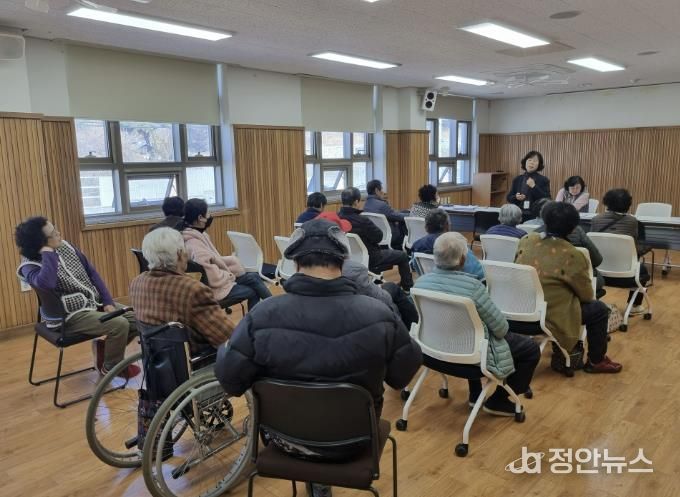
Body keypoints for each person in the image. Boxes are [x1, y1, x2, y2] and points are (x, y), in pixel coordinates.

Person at [215, 218, 422, 497]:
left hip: (284, 439)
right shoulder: (378, 314)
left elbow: (230, 380)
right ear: (343, 260)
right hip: (354, 442)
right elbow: (402, 375)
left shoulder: (261, 315)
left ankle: (316, 483)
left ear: (295, 262)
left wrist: (225, 348)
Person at [414, 232, 540, 415]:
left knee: (469, 330)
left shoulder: (420, 283)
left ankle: (475, 393)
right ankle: (498, 400)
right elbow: (501, 329)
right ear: (463, 259)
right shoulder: (473, 288)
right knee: (530, 349)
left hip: (431, 351)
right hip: (469, 355)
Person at [16, 216, 139, 378]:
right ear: (41, 243)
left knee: (137, 319)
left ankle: (104, 350)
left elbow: (92, 273)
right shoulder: (29, 266)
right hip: (67, 317)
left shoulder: (65, 247)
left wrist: (108, 301)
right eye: (53, 234)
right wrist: (48, 253)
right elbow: (47, 283)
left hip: (91, 302)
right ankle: (110, 368)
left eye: (55, 228)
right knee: (119, 324)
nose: (59, 234)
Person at [515, 202, 622, 374]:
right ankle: (596, 361)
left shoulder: (526, 240)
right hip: (549, 315)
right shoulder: (573, 254)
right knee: (599, 309)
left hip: (519, 309)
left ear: (544, 220)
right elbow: (587, 295)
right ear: (573, 228)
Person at [129, 228, 234, 353]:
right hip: (198, 358)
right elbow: (227, 337)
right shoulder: (192, 290)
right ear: (179, 254)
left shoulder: (136, 283)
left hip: (156, 357)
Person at [317, 211, 419, 329]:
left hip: (332, 322)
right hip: (364, 320)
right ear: (339, 240)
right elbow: (381, 298)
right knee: (392, 289)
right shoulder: (353, 270)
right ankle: (413, 328)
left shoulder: (306, 271)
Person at [182, 198, 272, 310]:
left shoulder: (198, 235)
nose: (210, 216)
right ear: (200, 218)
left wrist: (229, 269)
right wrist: (229, 276)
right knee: (253, 290)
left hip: (221, 279)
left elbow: (214, 261)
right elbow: (211, 276)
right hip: (216, 289)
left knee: (253, 277)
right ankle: (272, 312)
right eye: (208, 213)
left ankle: (273, 310)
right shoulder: (194, 243)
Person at [338, 187, 414, 290]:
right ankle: (407, 288)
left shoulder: (337, 218)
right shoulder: (362, 221)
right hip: (372, 257)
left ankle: (376, 280)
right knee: (403, 256)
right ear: (356, 202)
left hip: (347, 258)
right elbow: (379, 237)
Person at [590, 188, 650, 312]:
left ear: (606, 202)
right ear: (628, 205)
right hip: (626, 276)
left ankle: (595, 303)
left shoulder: (596, 220)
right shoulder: (632, 222)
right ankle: (634, 306)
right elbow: (634, 244)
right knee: (643, 269)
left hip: (598, 273)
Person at [411, 209, 484, 281]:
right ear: (447, 226)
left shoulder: (416, 246)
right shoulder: (458, 245)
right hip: (459, 285)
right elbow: (479, 274)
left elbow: (414, 267)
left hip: (430, 283)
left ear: (426, 227)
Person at [363, 179, 406, 248]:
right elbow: (398, 217)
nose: (383, 192)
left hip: (375, 236)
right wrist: (410, 215)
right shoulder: (382, 205)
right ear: (377, 190)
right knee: (403, 223)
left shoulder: (365, 205)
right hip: (390, 236)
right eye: (382, 189)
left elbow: (391, 213)